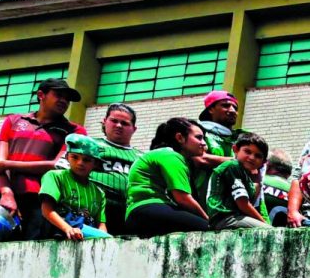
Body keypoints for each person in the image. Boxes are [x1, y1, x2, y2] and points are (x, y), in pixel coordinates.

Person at [0, 78, 86, 237]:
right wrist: (6, 193)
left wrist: (8, 164)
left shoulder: (75, 131)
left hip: (44, 201)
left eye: (67, 98)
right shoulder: (13, 121)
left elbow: (59, 165)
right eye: (58, 95)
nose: (64, 100)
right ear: (41, 95)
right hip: (5, 199)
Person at [123, 118, 211, 236]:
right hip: (147, 210)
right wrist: (208, 221)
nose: (204, 143)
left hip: (139, 213)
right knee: (209, 230)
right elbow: (183, 198)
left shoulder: (166, 155)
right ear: (180, 138)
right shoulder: (170, 155)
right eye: (198, 137)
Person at [35, 136, 112, 241]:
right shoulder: (54, 176)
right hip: (58, 231)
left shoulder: (99, 193)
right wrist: (68, 229)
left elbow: (101, 225)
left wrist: (104, 241)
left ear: (96, 163)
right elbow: (46, 210)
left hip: (86, 236)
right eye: (75, 157)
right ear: (67, 157)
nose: (80, 163)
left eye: (87, 160)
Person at [80, 103, 140, 231]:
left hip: (129, 212)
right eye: (114, 121)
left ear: (134, 129)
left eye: (125, 123)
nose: (119, 125)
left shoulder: (142, 157)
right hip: (92, 208)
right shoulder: (89, 145)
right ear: (104, 122)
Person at [203, 132, 270, 229]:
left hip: (237, 217)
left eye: (258, 156)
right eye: (247, 151)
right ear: (235, 149)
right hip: (225, 217)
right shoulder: (233, 166)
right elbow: (243, 204)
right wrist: (264, 223)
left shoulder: (246, 175)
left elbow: (249, 202)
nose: (252, 158)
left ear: (263, 162)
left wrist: (258, 182)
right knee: (269, 231)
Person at [192, 90, 241, 195]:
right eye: (225, 105)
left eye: (235, 108)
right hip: (199, 198)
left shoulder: (240, 138)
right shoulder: (197, 130)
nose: (232, 110)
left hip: (229, 204)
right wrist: (241, 161)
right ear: (211, 109)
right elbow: (200, 159)